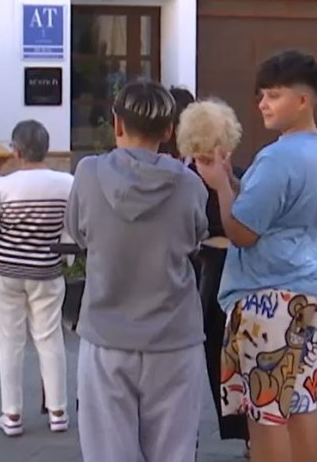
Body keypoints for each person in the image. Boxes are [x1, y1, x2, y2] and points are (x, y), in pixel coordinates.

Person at [195, 49, 317, 462]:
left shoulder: (278, 156)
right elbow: (274, 210)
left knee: (266, 410)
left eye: (273, 95)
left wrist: (220, 187)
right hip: (309, 286)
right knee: (300, 402)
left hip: (268, 295)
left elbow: (242, 232)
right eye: (262, 95)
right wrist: (235, 182)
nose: (262, 104)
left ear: (302, 99)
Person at [67, 80, 209, 462]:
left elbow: (79, 234)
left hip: (106, 333)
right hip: (176, 337)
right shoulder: (190, 185)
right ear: (169, 131)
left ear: (116, 124)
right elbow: (197, 239)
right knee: (175, 452)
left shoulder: (88, 174)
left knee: (107, 452)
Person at [0, 120, 74, 437]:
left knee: (9, 342)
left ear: (16, 151)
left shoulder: (3, 186)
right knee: (50, 338)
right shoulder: (67, 183)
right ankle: (58, 411)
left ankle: (11, 415)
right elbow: (71, 229)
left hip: (4, 272)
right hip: (46, 271)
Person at [163, 86, 250, 455]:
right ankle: (248, 435)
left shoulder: (177, 179)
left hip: (195, 267)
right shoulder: (243, 176)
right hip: (236, 268)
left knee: (182, 364)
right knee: (233, 359)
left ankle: (184, 439)